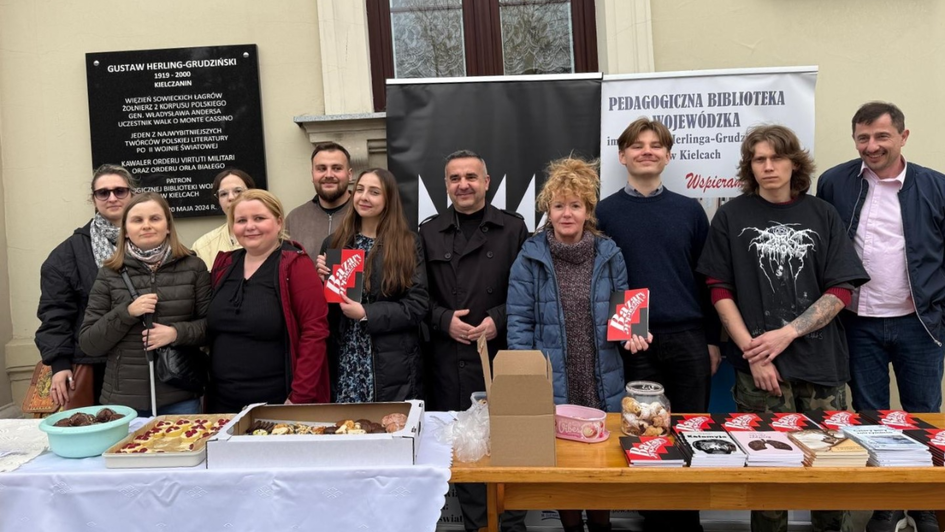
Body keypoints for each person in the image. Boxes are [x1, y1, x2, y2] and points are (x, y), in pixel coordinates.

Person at [698, 125, 869, 532]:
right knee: (769, 476)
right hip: (758, 370)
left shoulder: (822, 214)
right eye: (759, 159)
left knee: (830, 474)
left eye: (777, 158)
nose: (769, 166)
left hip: (821, 367)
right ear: (750, 166)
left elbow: (841, 290)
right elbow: (718, 289)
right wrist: (752, 352)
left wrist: (788, 333)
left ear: (795, 163)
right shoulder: (731, 215)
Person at [817, 101, 944, 532]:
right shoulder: (834, 182)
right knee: (870, 417)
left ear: (903, 137)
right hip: (857, 322)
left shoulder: (935, 186)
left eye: (881, 137)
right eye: (863, 138)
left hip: (919, 322)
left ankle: (924, 505)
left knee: (924, 414)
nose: (871, 146)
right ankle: (886, 504)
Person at [508, 157, 646, 532]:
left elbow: (627, 312)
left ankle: (601, 527)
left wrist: (634, 334)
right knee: (564, 466)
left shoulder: (609, 253)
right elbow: (519, 321)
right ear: (547, 211)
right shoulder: (529, 257)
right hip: (554, 380)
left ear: (588, 211)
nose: (566, 213)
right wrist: (526, 378)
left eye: (575, 205)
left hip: (601, 374)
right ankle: (571, 528)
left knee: (599, 462)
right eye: (558, 206)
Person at [596, 117, 718, 532]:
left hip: (687, 336)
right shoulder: (604, 212)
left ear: (668, 156)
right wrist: (622, 329)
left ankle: (687, 521)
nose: (646, 151)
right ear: (622, 155)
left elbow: (708, 279)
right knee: (642, 432)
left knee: (689, 429)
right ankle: (654, 516)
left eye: (655, 145)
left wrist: (713, 341)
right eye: (637, 145)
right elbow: (599, 280)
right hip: (632, 339)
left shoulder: (689, 210)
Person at [419, 149, 529, 532]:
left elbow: (528, 290)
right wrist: (445, 319)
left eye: (470, 176)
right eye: (454, 178)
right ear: (446, 185)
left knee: (512, 448)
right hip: (451, 360)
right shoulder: (428, 231)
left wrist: (498, 320)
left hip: (503, 356)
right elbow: (419, 297)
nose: (462, 184)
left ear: (486, 182)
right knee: (465, 455)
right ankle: (477, 528)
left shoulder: (514, 228)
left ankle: (514, 525)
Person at [79, 192, 211, 416]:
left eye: (155, 219)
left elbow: (212, 326)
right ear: (126, 229)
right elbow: (89, 343)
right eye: (137, 220)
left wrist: (175, 333)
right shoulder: (109, 273)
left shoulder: (194, 267)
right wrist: (127, 312)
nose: (146, 226)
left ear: (168, 226)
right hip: (123, 401)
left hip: (180, 394)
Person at [207, 189, 330, 413]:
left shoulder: (295, 265)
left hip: (276, 401)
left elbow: (315, 332)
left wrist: (299, 398)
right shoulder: (224, 265)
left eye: (259, 218)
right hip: (221, 402)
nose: (250, 226)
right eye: (241, 220)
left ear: (278, 222)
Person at [316, 168, 428, 402]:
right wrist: (320, 281)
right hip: (346, 359)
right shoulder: (335, 242)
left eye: (374, 192)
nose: (364, 197)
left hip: (391, 363)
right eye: (360, 190)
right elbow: (325, 312)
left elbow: (417, 305)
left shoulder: (407, 243)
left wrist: (367, 313)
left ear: (388, 200)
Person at [36, 164, 137, 408]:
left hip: (147, 361)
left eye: (119, 191)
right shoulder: (67, 254)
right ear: (93, 199)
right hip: (96, 366)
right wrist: (59, 365)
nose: (112, 197)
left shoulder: (154, 241)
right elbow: (55, 314)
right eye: (103, 193)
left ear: (132, 194)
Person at [286, 141, 353, 261]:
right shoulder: (294, 219)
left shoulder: (366, 215)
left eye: (337, 168)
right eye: (321, 169)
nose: (328, 175)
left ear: (350, 174)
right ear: (312, 175)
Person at [192, 168, 257, 269]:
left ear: (252, 193)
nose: (231, 197)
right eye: (223, 194)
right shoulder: (203, 246)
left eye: (238, 191)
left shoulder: (271, 237)